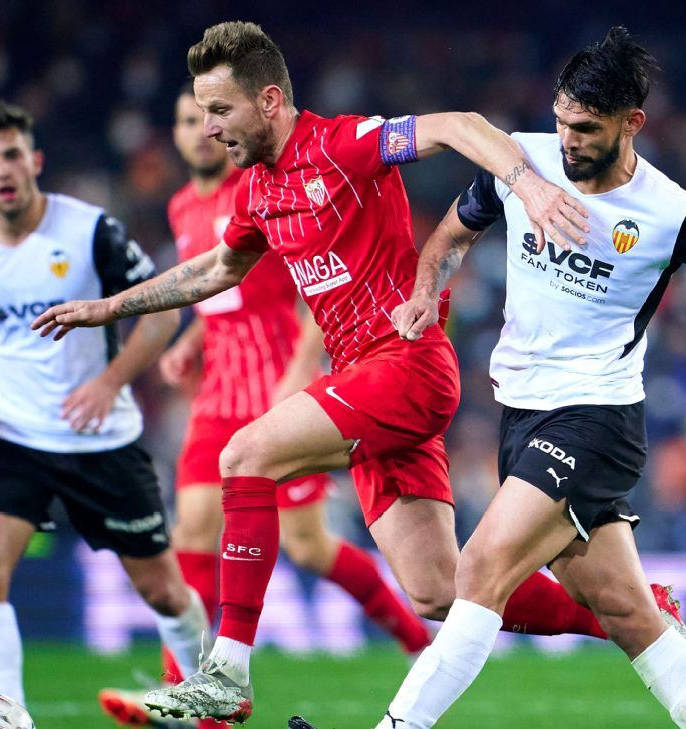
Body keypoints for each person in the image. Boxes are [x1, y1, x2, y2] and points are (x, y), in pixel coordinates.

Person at [33, 21, 686, 724]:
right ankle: (643, 616)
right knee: (439, 590)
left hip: (405, 364)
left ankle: (225, 672)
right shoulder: (256, 191)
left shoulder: (343, 145)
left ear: (270, 101)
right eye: (201, 112)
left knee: (244, 456)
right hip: (366, 381)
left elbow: (460, 125)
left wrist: (525, 184)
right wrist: (111, 307)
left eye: (220, 109)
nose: (210, 127)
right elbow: (218, 269)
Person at [370, 27, 686, 729]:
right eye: (561, 121)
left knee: (479, 567)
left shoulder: (672, 214)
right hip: (522, 414)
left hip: (596, 419)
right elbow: (452, 234)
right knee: (628, 612)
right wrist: (427, 291)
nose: (568, 140)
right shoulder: (522, 163)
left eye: (585, 128)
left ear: (631, 122)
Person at [98, 85, 434, 729]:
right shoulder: (180, 206)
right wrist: (190, 342)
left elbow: (315, 283)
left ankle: (416, 640)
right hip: (217, 392)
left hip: (275, 386)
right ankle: (186, 692)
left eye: (212, 117)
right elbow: (220, 292)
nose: (202, 130)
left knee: (308, 546)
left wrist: (304, 365)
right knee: (191, 531)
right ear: (175, 135)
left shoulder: (261, 189)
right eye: (188, 120)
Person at [0, 101, 209, 710]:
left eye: (12, 154)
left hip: (101, 439)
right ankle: (6, 716)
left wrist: (111, 381)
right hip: (13, 436)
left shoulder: (90, 231)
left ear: (35, 161)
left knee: (163, 591)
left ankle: (207, 694)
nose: (3, 168)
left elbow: (161, 313)